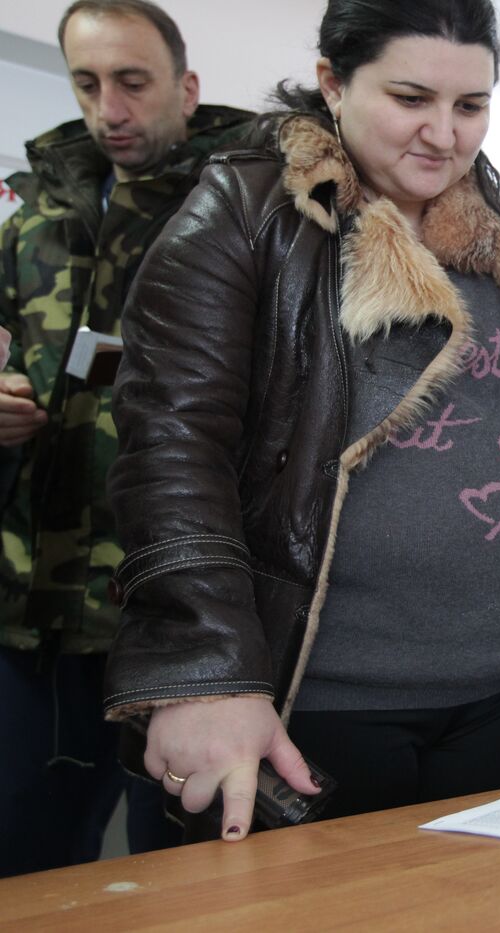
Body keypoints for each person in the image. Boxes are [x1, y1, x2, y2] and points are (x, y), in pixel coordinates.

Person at [100, 0, 500, 839]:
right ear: (332, 82)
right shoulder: (248, 212)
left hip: (498, 689)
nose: (445, 134)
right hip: (318, 701)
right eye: (410, 99)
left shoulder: (492, 234)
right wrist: (205, 670)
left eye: (471, 106)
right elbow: (171, 444)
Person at [0, 0, 251, 875]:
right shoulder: (31, 215)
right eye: (87, 82)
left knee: (178, 872)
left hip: (174, 613)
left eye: (132, 83)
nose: (108, 107)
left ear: (185, 87)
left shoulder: (245, 204)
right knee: (25, 864)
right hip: (34, 610)